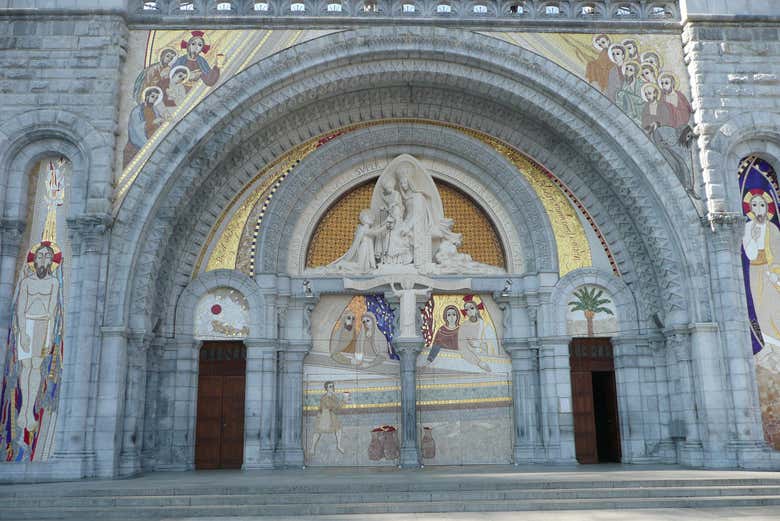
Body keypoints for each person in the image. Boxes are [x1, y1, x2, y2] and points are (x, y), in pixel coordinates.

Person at [14, 243, 60, 440]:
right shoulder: (26, 282)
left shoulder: (54, 283)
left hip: (43, 325)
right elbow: (20, 308)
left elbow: (52, 311)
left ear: (51, 261)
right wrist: (23, 332)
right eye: (39, 256)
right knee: (26, 367)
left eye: (46, 257)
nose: (42, 260)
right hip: (27, 325)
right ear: (34, 259)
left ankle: (30, 409)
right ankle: (23, 409)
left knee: (36, 366)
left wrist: (49, 337)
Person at [742, 191, 780, 345]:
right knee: (759, 308)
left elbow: (777, 254)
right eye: (755, 205)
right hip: (754, 271)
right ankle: (769, 344)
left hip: (770, 272)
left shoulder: (773, 229)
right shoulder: (748, 227)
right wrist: (754, 238)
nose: (759, 209)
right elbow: (749, 254)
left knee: (774, 304)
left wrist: (775, 274)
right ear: (750, 208)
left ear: (767, 208)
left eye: (762, 205)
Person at [123, 86, 164, 166]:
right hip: (137, 147)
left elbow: (159, 124)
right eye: (153, 96)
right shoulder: (137, 111)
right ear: (147, 96)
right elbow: (135, 129)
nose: (154, 99)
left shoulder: (155, 110)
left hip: (153, 143)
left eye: (156, 97)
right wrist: (153, 122)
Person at [457, 296, 495, 372]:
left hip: (488, 360)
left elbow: (493, 347)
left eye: (472, 308)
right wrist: (479, 362)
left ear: (477, 310)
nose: (469, 311)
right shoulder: (463, 327)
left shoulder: (485, 327)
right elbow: (462, 348)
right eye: (466, 310)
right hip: (471, 362)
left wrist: (480, 345)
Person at [310, 381, 347, 456]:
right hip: (324, 415)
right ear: (326, 388)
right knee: (318, 432)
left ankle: (339, 445)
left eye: (332, 386)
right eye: (330, 386)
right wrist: (343, 400)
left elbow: (338, 407)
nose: (332, 388)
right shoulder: (325, 397)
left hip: (331, 415)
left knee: (338, 430)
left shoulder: (333, 396)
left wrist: (344, 400)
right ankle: (312, 448)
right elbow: (333, 407)